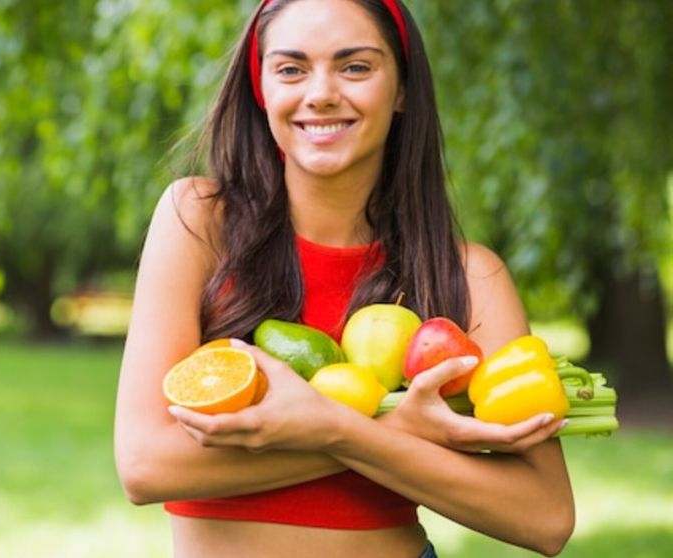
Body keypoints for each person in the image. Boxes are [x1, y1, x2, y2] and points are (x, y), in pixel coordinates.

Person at [113, 0, 575, 556]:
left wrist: (333, 429)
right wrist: (396, 431)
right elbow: (145, 465)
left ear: (402, 89)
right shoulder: (199, 220)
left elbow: (545, 517)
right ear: (261, 89)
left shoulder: (472, 275)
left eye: (356, 67)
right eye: (291, 69)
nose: (321, 93)